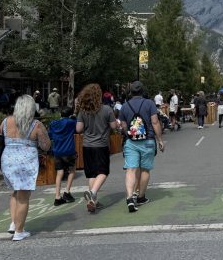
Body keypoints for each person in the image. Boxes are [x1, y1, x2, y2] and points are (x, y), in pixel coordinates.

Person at [0, 95, 51, 241]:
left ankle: (14, 223)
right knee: (24, 196)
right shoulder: (36, 124)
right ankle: (19, 232)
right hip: (26, 161)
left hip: (7, 159)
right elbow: (45, 145)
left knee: (15, 191)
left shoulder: (5, 121)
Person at [119, 81, 165, 213]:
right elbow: (155, 122)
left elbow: (123, 125)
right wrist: (160, 140)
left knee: (131, 169)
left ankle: (129, 197)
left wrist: (129, 134)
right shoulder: (149, 103)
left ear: (131, 92)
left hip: (131, 142)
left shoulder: (125, 106)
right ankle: (140, 197)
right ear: (142, 91)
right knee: (145, 170)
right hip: (148, 140)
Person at [76, 83, 118, 213]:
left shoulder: (83, 111)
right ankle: (92, 192)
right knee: (103, 172)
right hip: (101, 145)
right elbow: (113, 127)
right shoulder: (106, 109)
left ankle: (92, 201)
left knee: (93, 173)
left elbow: (78, 129)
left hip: (87, 145)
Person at [48, 107, 77, 206]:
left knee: (59, 173)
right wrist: (74, 117)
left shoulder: (53, 124)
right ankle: (67, 192)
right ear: (70, 115)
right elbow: (78, 127)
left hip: (57, 151)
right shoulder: (71, 122)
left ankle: (57, 196)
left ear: (60, 115)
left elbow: (50, 135)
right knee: (72, 170)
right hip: (68, 150)